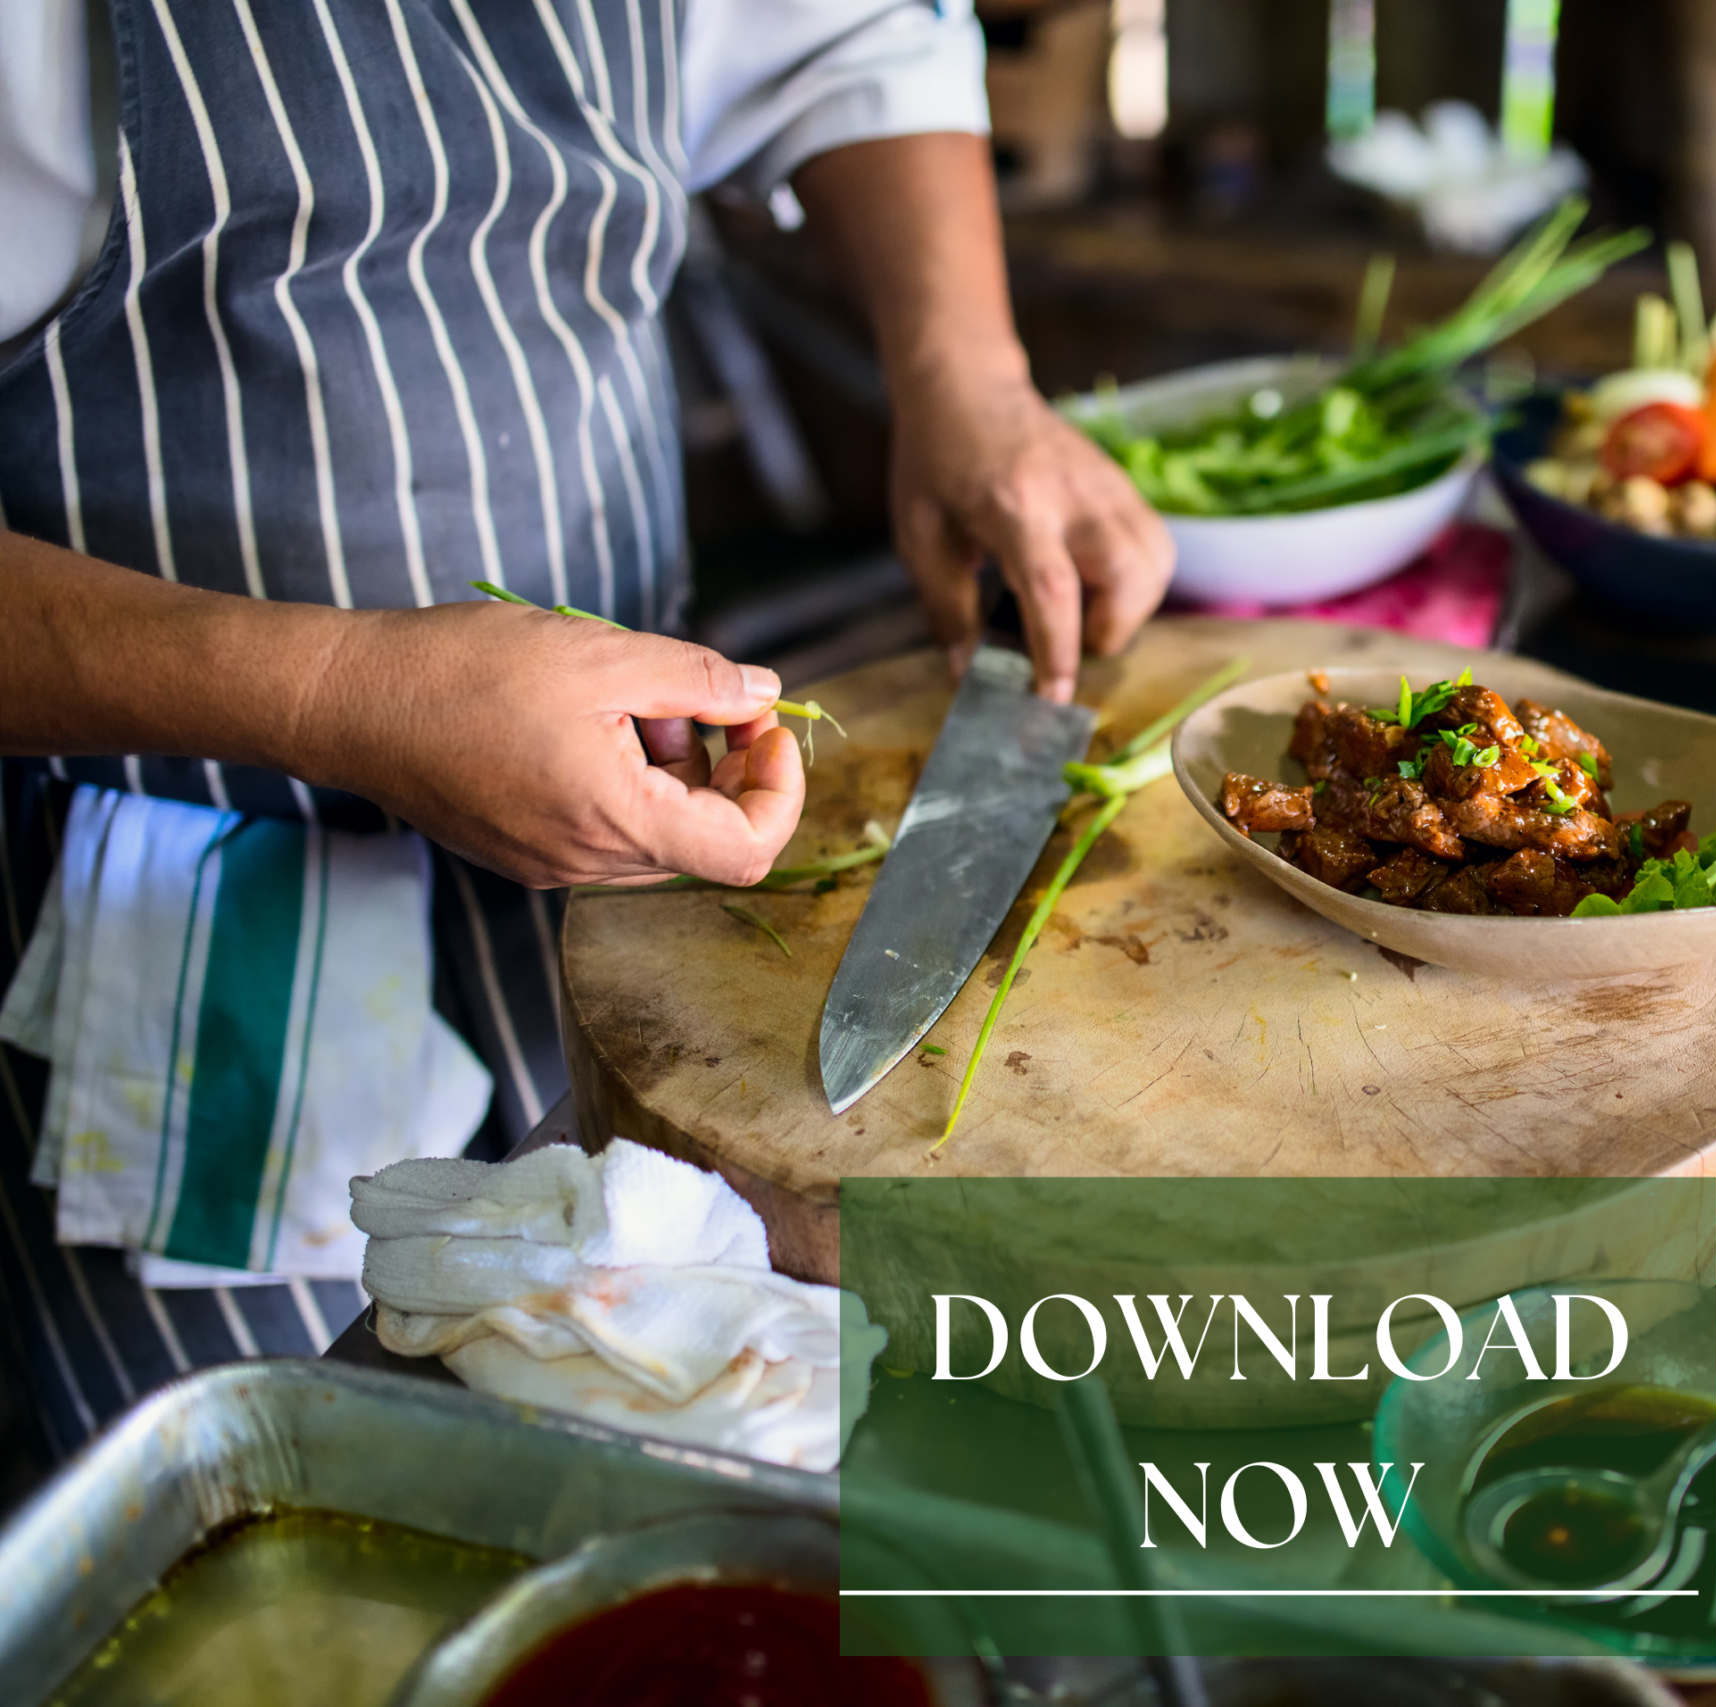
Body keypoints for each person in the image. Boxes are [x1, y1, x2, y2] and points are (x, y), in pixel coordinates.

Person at [0, 0, 1171, 1464]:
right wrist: (329, 699)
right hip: (191, 947)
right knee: (326, 1517)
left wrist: (970, 375)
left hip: (650, 896)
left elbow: (856, 34)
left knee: (691, 1459)